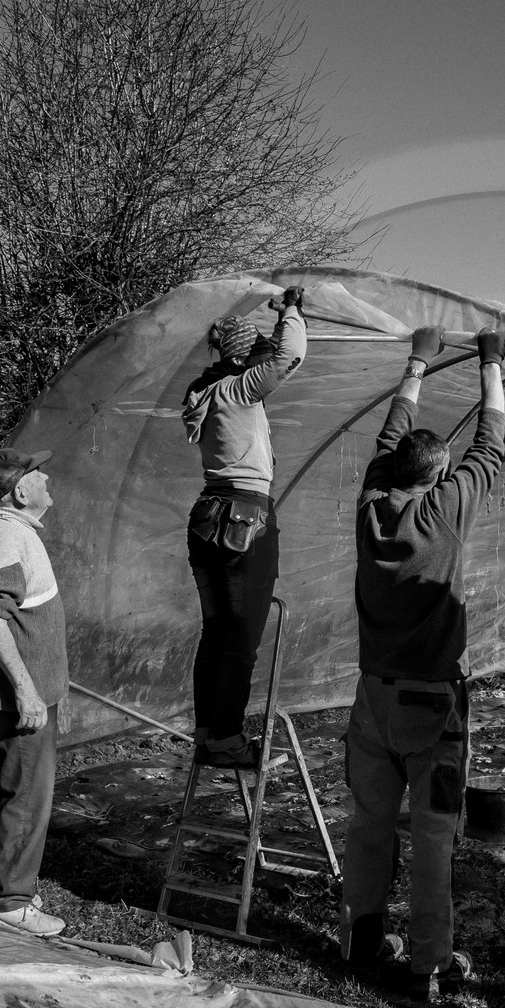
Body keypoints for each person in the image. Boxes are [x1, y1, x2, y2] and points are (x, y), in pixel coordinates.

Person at [338, 324, 505, 1002]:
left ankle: (361, 940)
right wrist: (493, 362)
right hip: (432, 706)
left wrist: (418, 361)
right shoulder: (443, 512)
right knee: (434, 838)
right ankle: (430, 964)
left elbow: (388, 438)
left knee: (370, 824)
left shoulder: (373, 507)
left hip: (372, 699)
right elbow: (491, 442)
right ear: (438, 475)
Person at [181, 286, 307, 769]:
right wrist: (292, 310)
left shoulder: (205, 392)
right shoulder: (237, 389)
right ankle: (229, 743)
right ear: (243, 360)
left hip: (208, 516)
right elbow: (290, 355)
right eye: (255, 356)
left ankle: (210, 733)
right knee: (242, 638)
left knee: (217, 632)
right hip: (245, 517)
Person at [0, 449, 70, 936]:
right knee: (25, 797)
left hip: (13, 694)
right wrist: (25, 689)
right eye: (40, 475)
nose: (49, 479)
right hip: (18, 699)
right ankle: (10, 904)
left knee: (3, 790)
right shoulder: (6, 535)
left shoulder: (7, 532)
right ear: (22, 492)